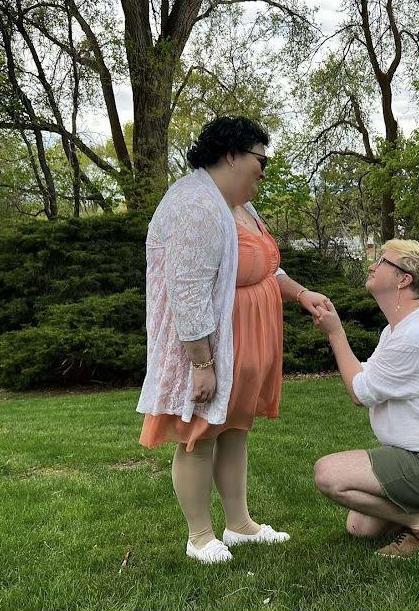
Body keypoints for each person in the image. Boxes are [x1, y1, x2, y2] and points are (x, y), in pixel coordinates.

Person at [136, 116, 329, 565]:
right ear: (231, 155)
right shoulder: (195, 206)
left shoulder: (238, 204)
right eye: (261, 158)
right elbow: (186, 291)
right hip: (205, 347)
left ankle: (239, 525)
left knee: (235, 430)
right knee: (199, 434)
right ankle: (199, 535)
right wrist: (201, 364)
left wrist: (301, 294)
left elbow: (265, 266)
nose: (265, 168)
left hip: (244, 342)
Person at [312, 239, 419, 559]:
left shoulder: (414, 336)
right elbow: (369, 376)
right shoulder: (399, 329)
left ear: (403, 279)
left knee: (328, 474)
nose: (372, 266)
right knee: (359, 527)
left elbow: (359, 392)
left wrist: (335, 334)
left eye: (381, 262)